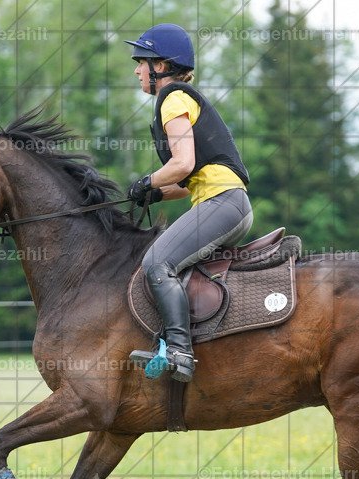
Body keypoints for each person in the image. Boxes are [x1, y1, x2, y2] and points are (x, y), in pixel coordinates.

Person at [124, 23, 253, 383]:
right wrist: (155, 193)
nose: (137, 71)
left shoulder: (172, 98)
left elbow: (182, 163)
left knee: (157, 262)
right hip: (227, 202)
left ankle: (180, 351)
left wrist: (147, 180)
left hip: (223, 202)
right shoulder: (178, 100)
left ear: (161, 66)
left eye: (141, 62)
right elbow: (185, 181)